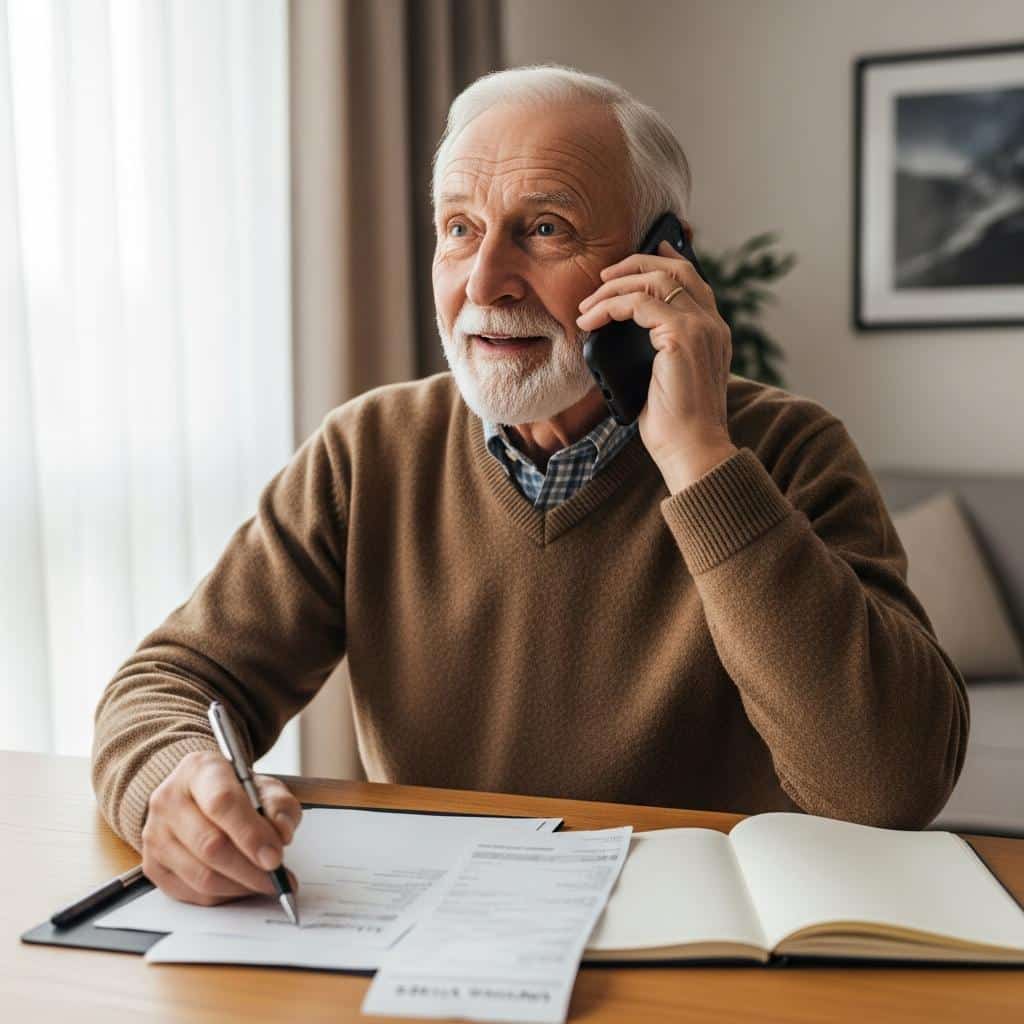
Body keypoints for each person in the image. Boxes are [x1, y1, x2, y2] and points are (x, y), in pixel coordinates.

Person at [91, 66, 968, 909]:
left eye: (544, 228)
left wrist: (699, 459)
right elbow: (169, 683)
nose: (483, 283)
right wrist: (177, 786)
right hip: (440, 946)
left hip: (699, 959)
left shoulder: (789, 450)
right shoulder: (368, 452)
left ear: (662, 260)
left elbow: (887, 785)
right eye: (460, 228)